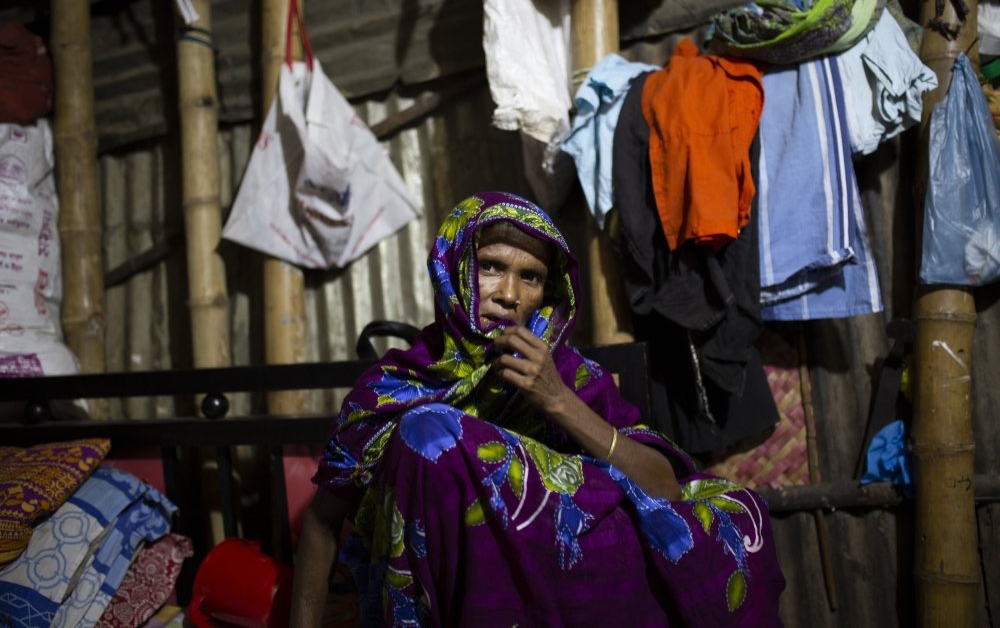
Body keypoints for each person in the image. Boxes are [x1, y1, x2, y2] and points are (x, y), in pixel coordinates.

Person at [291, 191, 785, 627]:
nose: (509, 294)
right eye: (490, 266)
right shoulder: (390, 389)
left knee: (734, 513)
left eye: (531, 277)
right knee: (429, 432)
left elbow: (665, 488)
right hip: (439, 593)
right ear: (453, 268)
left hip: (560, 588)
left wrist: (558, 401)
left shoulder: (567, 374)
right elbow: (319, 525)